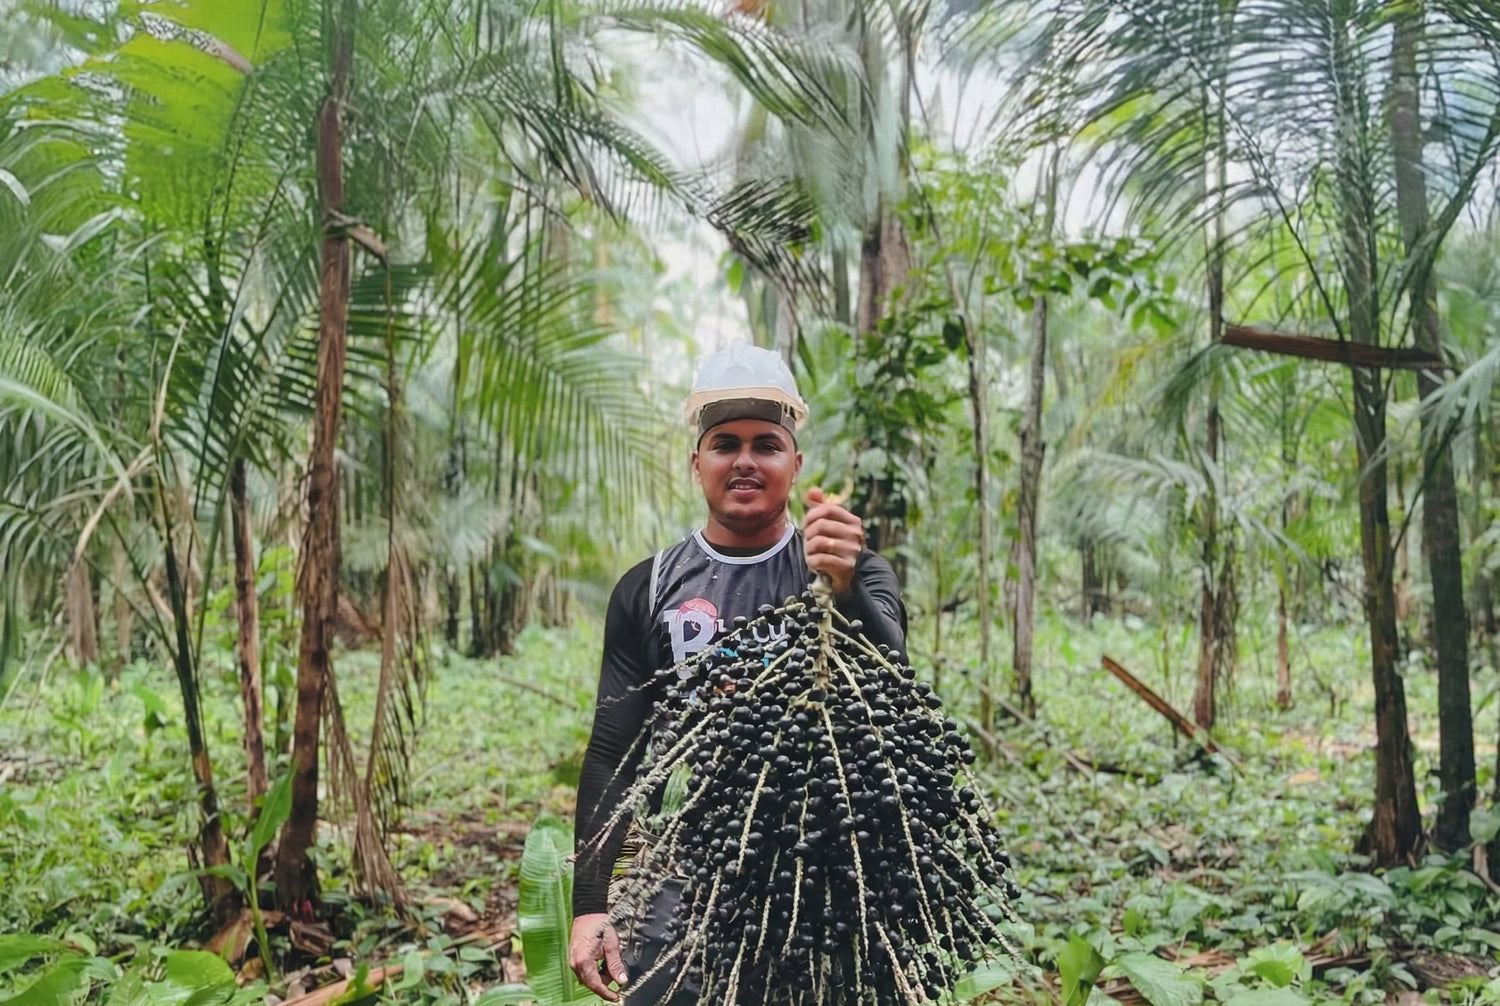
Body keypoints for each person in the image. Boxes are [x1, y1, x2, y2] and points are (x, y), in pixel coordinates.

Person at [568, 344, 907, 1005]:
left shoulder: (852, 569)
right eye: (725, 443)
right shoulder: (650, 588)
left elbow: (896, 689)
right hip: (698, 865)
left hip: (838, 866)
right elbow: (616, 754)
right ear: (698, 464)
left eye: (766, 444)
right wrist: (589, 904)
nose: (745, 460)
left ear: (795, 464)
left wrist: (844, 591)